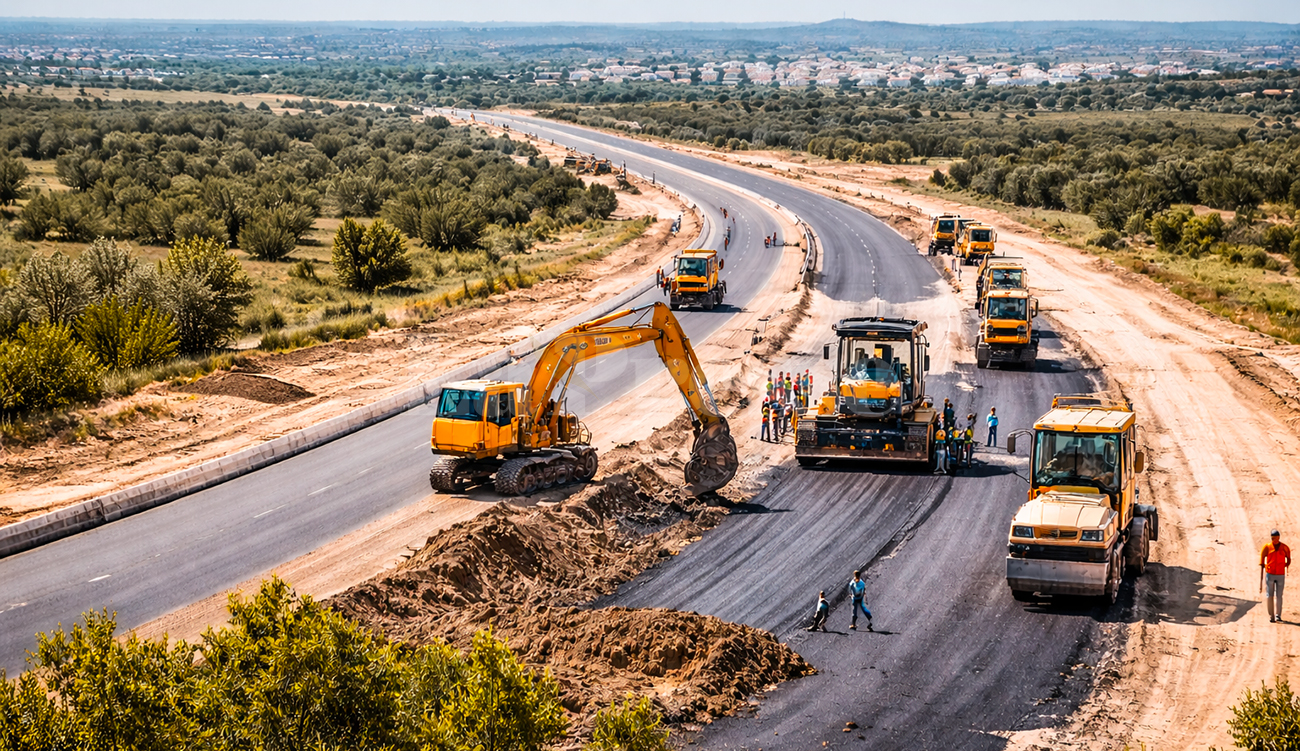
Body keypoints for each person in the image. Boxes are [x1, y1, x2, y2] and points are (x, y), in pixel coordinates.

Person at [1263, 530, 1292, 623]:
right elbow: (1262, 557)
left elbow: (1289, 558)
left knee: (1279, 596)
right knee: (1269, 595)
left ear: (1279, 537)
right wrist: (1264, 565)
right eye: (1272, 538)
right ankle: (1271, 616)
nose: (1274, 540)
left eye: (1275, 538)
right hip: (1270, 574)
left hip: (1280, 574)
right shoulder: (1267, 547)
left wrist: (1284, 565)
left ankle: (1278, 615)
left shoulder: (1284, 547)